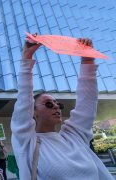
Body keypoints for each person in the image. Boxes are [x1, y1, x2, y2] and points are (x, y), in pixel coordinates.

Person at [11, 36, 114, 179]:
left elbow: (87, 101)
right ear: (33, 112)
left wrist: (87, 60)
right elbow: (23, 100)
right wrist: (26, 60)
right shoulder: (28, 143)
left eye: (57, 104)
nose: (56, 107)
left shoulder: (74, 136)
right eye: (48, 104)